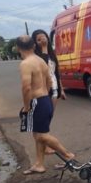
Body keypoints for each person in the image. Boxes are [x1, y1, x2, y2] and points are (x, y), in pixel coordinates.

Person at [16, 35, 75, 175]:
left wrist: (26, 106)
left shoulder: (25, 64)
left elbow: (26, 88)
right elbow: (49, 80)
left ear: (18, 48)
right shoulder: (41, 61)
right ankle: (39, 164)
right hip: (45, 100)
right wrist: (46, 96)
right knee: (37, 133)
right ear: (34, 46)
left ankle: (68, 155)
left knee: (41, 136)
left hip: (37, 102)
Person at [32, 29, 67, 157]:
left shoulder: (52, 55)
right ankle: (45, 145)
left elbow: (57, 73)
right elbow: (44, 66)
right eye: (39, 39)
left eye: (44, 37)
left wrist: (61, 89)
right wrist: (44, 48)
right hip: (43, 90)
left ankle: (44, 143)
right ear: (34, 43)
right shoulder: (36, 57)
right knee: (44, 118)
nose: (43, 40)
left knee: (49, 117)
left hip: (55, 89)